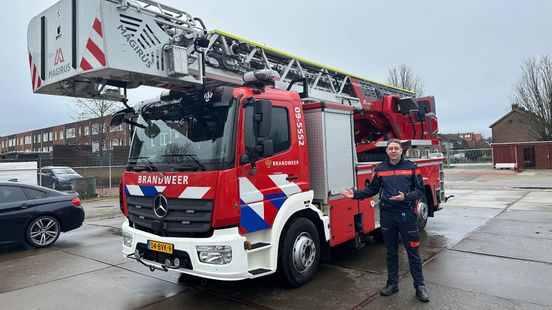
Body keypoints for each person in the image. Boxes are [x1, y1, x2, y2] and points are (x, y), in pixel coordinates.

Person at [342, 138, 429, 302]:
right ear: (387, 151)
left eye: (396, 148)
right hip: (388, 215)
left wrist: (406, 197)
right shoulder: (380, 169)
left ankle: (420, 286)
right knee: (390, 252)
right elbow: (372, 189)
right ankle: (392, 283)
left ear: (401, 150)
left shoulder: (411, 168)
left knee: (413, 252)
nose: (394, 151)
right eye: (391, 149)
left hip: (406, 215)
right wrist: (355, 194)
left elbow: (419, 191)